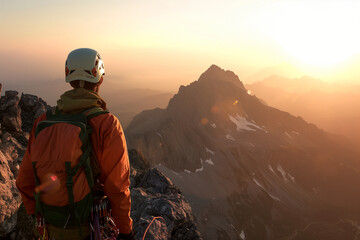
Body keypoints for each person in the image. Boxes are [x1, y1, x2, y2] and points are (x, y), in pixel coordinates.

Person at [16, 48, 134, 240]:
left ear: (68, 78)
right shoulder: (107, 124)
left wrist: (37, 215)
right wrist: (126, 231)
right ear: (100, 78)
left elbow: (24, 181)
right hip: (91, 228)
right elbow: (117, 187)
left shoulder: (43, 121)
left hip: (50, 228)